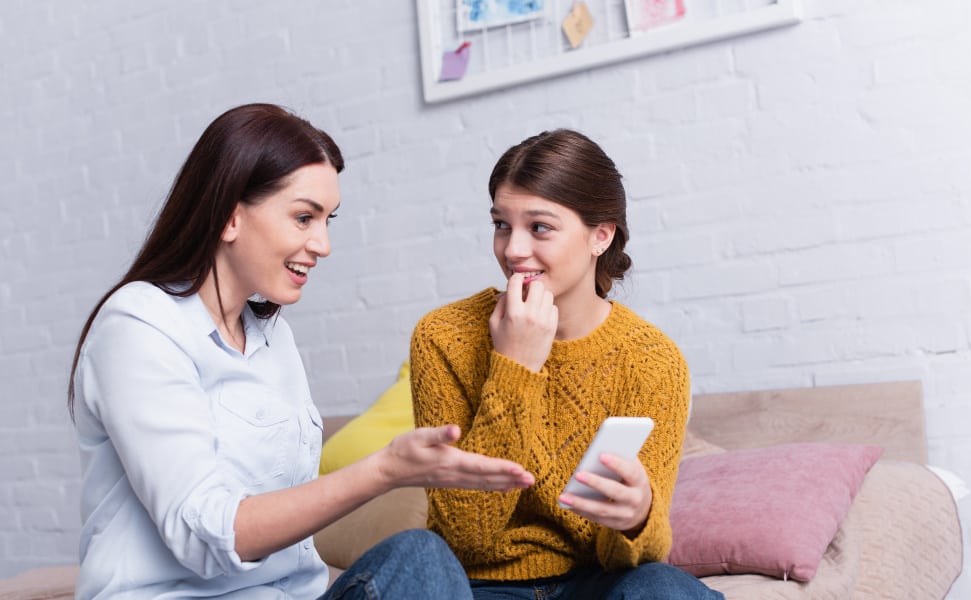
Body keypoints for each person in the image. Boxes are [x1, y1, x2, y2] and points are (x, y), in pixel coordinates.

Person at [67, 103, 533, 600]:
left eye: (327, 219)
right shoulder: (139, 326)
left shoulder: (271, 336)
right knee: (419, 558)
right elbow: (206, 536)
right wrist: (386, 469)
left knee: (423, 557)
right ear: (229, 217)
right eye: (304, 217)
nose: (324, 244)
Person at [409, 129, 723, 599]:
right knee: (415, 556)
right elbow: (464, 534)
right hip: (477, 585)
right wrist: (515, 365)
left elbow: (637, 559)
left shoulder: (653, 362)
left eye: (539, 227)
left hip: (595, 583)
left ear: (600, 235)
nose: (513, 249)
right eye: (501, 224)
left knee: (663, 586)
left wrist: (637, 518)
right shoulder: (444, 337)